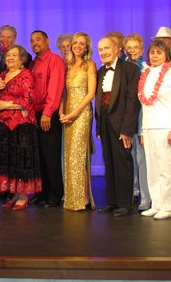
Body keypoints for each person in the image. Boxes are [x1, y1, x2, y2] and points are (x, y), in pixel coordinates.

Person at [94, 36, 141, 216]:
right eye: (100, 49)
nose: (103, 52)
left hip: (120, 121)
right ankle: (112, 201)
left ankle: (124, 203)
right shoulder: (100, 71)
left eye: (107, 48)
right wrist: (99, 127)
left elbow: (132, 101)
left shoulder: (130, 69)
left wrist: (127, 129)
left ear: (117, 49)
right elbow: (99, 101)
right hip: (105, 120)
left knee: (122, 162)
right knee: (109, 161)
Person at [138, 40, 171, 220]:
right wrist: (142, 131)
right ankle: (156, 203)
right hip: (149, 127)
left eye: (158, 52)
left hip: (166, 127)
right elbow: (144, 105)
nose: (154, 56)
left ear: (166, 55)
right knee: (152, 168)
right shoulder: (147, 73)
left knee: (167, 168)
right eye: (152, 53)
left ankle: (167, 205)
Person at [0, 45, 40, 210]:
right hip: (4, 124)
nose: (10, 58)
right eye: (8, 56)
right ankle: (13, 194)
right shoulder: (3, 75)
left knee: (21, 159)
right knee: (9, 160)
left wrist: (6, 104)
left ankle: (23, 195)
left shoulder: (26, 74)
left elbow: (29, 101)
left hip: (21, 124)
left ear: (22, 59)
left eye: (14, 55)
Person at [59, 32, 97, 211]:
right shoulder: (67, 65)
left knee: (78, 155)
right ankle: (72, 198)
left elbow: (91, 93)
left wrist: (74, 113)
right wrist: (61, 112)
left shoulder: (90, 64)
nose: (78, 46)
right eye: (76, 43)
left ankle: (83, 199)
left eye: (82, 43)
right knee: (69, 155)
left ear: (87, 46)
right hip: (67, 114)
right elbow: (64, 92)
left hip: (81, 114)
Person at [29, 30, 66, 207]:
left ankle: (55, 193)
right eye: (32, 41)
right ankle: (42, 192)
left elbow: (55, 87)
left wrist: (48, 112)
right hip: (34, 113)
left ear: (47, 41)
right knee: (40, 156)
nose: (35, 43)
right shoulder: (34, 63)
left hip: (47, 114)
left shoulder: (55, 60)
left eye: (38, 39)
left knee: (51, 156)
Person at [122, 33, 150, 211]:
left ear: (141, 50)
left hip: (142, 115)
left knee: (142, 158)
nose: (132, 51)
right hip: (126, 116)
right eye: (129, 47)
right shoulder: (121, 68)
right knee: (128, 157)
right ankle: (131, 191)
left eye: (136, 47)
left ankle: (146, 198)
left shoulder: (147, 69)